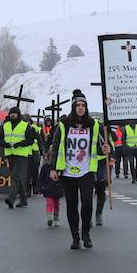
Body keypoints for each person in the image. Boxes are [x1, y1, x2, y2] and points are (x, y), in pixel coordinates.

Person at [48, 90, 109, 250]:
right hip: (67, 171)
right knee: (72, 204)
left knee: (87, 202)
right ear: (73, 107)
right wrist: (53, 168)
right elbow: (55, 147)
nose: (81, 108)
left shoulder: (93, 125)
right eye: (78, 105)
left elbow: (99, 146)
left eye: (83, 105)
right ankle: (75, 237)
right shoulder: (63, 125)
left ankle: (86, 234)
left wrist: (105, 150)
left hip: (87, 170)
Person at [2, 107, 36, 209]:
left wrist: (20, 144)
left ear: (18, 114)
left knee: (15, 176)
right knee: (17, 178)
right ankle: (23, 200)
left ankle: (11, 199)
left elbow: (30, 140)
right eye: (11, 113)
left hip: (22, 156)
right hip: (10, 154)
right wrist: (4, 144)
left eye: (15, 113)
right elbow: (0, 138)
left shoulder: (25, 125)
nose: (13, 115)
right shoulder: (5, 125)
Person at [38, 151, 62, 227]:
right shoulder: (45, 167)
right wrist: (40, 187)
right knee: (49, 203)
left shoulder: (60, 167)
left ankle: (56, 218)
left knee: (56, 204)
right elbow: (41, 178)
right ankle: (49, 219)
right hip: (48, 189)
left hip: (57, 188)